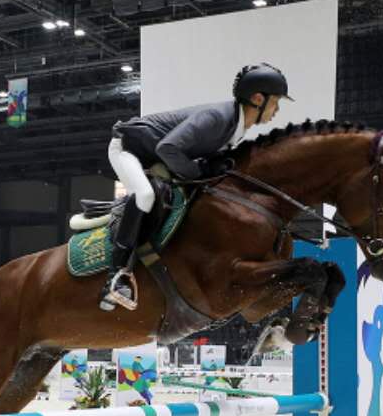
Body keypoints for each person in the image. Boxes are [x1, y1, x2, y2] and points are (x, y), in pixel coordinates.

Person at [99, 63, 292, 310]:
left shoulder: (235, 126)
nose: (277, 110)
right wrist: (198, 172)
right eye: (275, 102)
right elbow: (167, 148)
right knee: (145, 195)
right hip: (129, 150)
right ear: (257, 99)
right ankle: (117, 275)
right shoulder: (217, 118)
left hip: (158, 158)